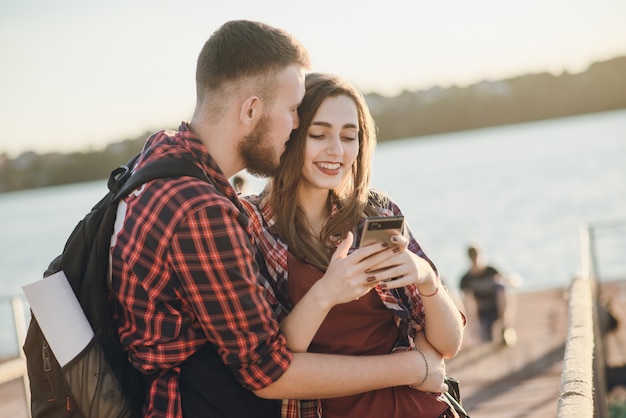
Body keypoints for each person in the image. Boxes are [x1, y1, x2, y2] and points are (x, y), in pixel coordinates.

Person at [109, 21, 448, 418]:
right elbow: (266, 370)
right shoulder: (204, 209)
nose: (295, 125)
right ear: (252, 109)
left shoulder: (160, 158)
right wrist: (412, 366)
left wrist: (425, 278)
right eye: (292, 112)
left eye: (349, 134)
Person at [241, 73, 466, 417]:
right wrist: (326, 292)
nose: (336, 150)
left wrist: (426, 278)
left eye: (349, 137)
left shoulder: (376, 211)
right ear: (290, 133)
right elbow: (273, 359)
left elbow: (448, 346)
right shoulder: (252, 226)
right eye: (319, 135)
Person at [459, 244, 516, 345]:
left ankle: (504, 327)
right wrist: (471, 325)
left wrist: (508, 281)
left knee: (500, 286)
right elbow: (467, 302)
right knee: (485, 339)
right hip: (483, 313)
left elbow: (511, 281)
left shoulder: (491, 271)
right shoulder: (466, 279)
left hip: (497, 309)